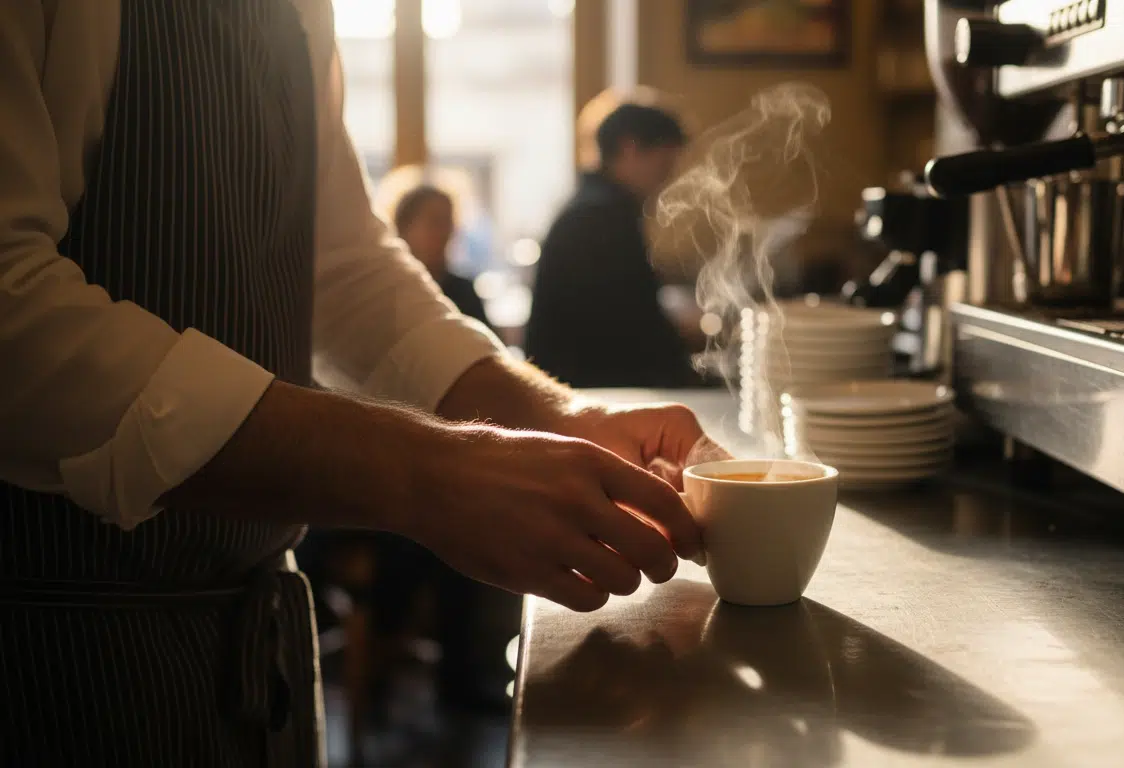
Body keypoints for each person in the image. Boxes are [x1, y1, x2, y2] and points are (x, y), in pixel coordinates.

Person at [0, 3, 723, 766]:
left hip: (252, 633)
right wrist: (428, 472)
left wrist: (561, 418)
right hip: (48, 644)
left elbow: (340, 266)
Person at [525, 103, 701, 389]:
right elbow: (635, 334)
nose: (666, 179)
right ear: (629, 148)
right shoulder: (601, 217)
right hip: (586, 394)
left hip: (574, 386)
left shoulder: (592, 206)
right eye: (663, 164)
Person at [392, 182, 492, 331]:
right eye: (435, 221)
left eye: (448, 222)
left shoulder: (463, 291)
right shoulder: (390, 290)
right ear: (404, 227)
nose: (444, 232)